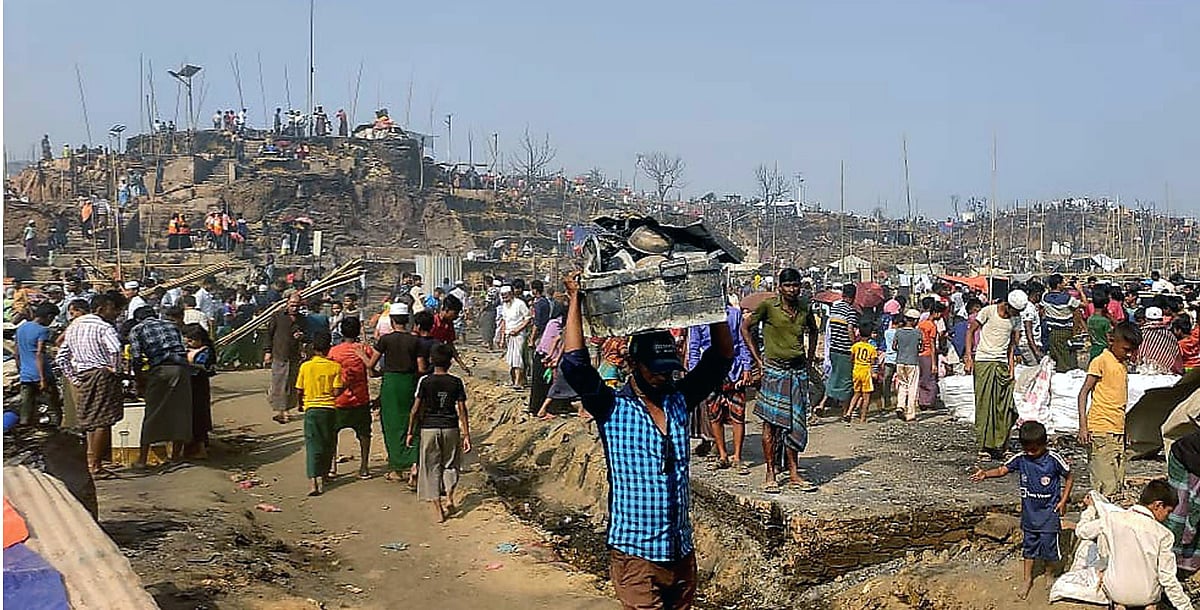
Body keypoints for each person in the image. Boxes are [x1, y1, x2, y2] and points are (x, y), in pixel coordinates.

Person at [560, 271, 732, 610]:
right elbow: (575, 364)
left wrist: (714, 305)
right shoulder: (611, 406)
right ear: (634, 364)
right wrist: (576, 299)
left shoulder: (680, 398)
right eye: (655, 369)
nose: (663, 375)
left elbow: (721, 359)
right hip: (635, 555)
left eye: (668, 369)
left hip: (680, 553)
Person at [970, 421, 1073, 601]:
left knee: (1049, 544)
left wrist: (1063, 501)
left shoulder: (1054, 460)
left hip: (1049, 512)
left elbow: (1070, 476)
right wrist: (985, 474)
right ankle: (1027, 580)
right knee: (1029, 547)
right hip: (1030, 514)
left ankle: (1049, 573)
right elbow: (1003, 469)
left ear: (1044, 444)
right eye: (1028, 449)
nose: (1031, 453)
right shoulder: (1021, 458)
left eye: (1035, 449)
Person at [742, 268, 819, 492]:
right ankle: (770, 473)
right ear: (780, 287)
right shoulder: (768, 307)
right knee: (771, 425)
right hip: (774, 371)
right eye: (788, 285)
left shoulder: (805, 307)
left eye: (796, 285)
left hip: (797, 372)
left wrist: (810, 358)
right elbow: (746, 328)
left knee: (795, 425)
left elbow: (813, 331)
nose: (792, 289)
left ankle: (794, 473)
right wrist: (758, 360)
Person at [1077, 480, 1195, 610]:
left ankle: (1119, 605)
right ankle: (1150, 606)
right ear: (1158, 505)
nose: (1167, 517)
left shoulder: (1112, 519)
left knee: (1104, 565)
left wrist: (1090, 509)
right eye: (1168, 511)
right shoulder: (1164, 534)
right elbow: (1167, 578)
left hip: (1116, 592)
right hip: (1147, 596)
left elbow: (1081, 532)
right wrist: (1186, 607)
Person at [55, 292, 125, 476]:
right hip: (101, 374)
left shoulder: (73, 326)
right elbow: (116, 349)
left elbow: (61, 357)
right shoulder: (104, 327)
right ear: (102, 308)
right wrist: (115, 369)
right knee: (102, 420)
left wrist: (74, 378)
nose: (116, 313)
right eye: (113, 309)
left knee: (89, 420)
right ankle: (95, 465)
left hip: (84, 375)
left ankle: (90, 460)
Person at [406, 343, 471, 522]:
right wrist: (466, 434)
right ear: (450, 362)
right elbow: (462, 409)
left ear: (431, 361)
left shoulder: (425, 381)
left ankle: (438, 508)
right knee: (450, 465)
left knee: (430, 468)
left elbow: (415, 409)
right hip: (450, 427)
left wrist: (410, 431)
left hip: (429, 428)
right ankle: (449, 496)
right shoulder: (456, 382)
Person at [1077, 321, 1143, 496]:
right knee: (1105, 483)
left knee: (1118, 478)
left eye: (1132, 351)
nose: (1129, 354)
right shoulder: (1101, 361)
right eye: (1126, 349)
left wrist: (1125, 428)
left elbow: (1120, 401)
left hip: (1117, 430)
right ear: (1111, 341)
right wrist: (1083, 426)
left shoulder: (1121, 365)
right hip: (1100, 428)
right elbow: (1083, 393)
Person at [367, 303, 428, 485]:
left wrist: (364, 358)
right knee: (412, 422)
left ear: (392, 320)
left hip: (391, 385)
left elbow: (371, 365)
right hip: (409, 383)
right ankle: (415, 464)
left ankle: (396, 468)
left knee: (392, 426)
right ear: (407, 320)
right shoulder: (415, 341)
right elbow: (422, 368)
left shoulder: (385, 340)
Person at [965, 290, 1027, 461]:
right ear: (1007, 305)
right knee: (985, 405)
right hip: (984, 362)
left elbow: (1011, 346)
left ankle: (1002, 445)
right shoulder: (988, 311)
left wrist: (1011, 368)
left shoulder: (1015, 319)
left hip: (1001, 365)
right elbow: (971, 331)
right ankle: (985, 446)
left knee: (1005, 406)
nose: (1015, 314)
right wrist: (969, 357)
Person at [128, 305, 193, 468]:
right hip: (180, 369)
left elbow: (136, 358)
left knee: (152, 412)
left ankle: (142, 459)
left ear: (138, 319)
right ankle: (176, 456)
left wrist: (139, 380)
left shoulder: (137, 330)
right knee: (180, 411)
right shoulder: (171, 325)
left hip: (159, 370)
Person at [698, 296, 752, 470]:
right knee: (715, 415)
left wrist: (746, 367)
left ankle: (737, 456)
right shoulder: (699, 317)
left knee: (738, 414)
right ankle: (722, 455)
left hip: (733, 370)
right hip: (709, 371)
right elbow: (694, 346)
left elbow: (742, 343)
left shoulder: (734, 315)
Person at [295, 332, 344, 496]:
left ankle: (313, 482)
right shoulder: (335, 367)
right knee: (328, 442)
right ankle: (324, 474)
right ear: (328, 349)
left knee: (312, 444)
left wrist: (300, 405)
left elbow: (299, 390)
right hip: (329, 409)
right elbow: (337, 391)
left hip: (311, 409)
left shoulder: (305, 366)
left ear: (313, 349)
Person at [327, 317, 375, 480]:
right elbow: (373, 370)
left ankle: (332, 467)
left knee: (333, 434)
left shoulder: (334, 351)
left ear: (341, 331)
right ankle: (364, 467)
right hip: (360, 399)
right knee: (364, 435)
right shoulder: (364, 349)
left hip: (339, 399)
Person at [15, 302, 63, 426]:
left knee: (26, 407)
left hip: (26, 374)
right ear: (48, 316)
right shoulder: (43, 330)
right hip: (42, 373)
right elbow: (39, 354)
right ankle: (57, 433)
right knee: (53, 406)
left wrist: (20, 369)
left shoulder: (22, 328)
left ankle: (24, 431)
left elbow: (17, 352)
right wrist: (42, 379)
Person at [265, 293, 306, 424]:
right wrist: (267, 351)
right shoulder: (277, 316)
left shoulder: (301, 319)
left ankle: (287, 410)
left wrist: (301, 337)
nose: (294, 308)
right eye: (292, 305)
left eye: (297, 306)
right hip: (279, 354)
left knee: (291, 383)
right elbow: (269, 334)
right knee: (279, 383)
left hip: (294, 355)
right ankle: (281, 411)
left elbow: (306, 336)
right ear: (287, 303)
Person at [821, 284, 859, 416]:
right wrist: (854, 342)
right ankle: (845, 411)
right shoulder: (850, 311)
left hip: (833, 348)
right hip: (845, 350)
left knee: (834, 376)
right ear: (854, 296)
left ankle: (822, 403)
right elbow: (850, 329)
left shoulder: (835, 308)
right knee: (846, 381)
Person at [183, 324, 215, 459]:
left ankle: (202, 449)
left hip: (199, 385)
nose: (188, 342)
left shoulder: (206, 351)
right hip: (189, 385)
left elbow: (203, 367)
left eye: (191, 340)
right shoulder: (189, 349)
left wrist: (188, 361)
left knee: (199, 416)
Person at [1042, 274, 1082, 372]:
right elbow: (1082, 307)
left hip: (1051, 332)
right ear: (1058, 284)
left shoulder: (1045, 298)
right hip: (1065, 331)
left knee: (1056, 357)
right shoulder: (1067, 298)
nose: (1065, 284)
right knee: (1065, 359)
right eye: (1063, 282)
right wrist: (1080, 290)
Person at [498, 286, 531, 388]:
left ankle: (518, 382)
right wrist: (502, 337)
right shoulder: (504, 305)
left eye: (506, 296)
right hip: (509, 335)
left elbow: (528, 318)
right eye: (503, 296)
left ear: (511, 294)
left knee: (517, 359)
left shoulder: (520, 304)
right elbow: (504, 321)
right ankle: (515, 380)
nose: (504, 298)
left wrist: (517, 329)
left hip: (519, 335)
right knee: (511, 360)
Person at [430, 295, 472, 374]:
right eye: (455, 313)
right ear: (446, 310)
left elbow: (450, 344)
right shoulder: (432, 321)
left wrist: (461, 364)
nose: (456, 316)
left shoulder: (449, 324)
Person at [846, 324, 878, 424]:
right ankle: (863, 418)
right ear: (869, 335)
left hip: (856, 370)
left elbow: (851, 358)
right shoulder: (871, 348)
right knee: (866, 396)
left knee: (856, 393)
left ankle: (848, 412)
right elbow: (873, 362)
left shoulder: (855, 346)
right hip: (866, 372)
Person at [893, 310, 922, 422]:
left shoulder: (898, 332)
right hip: (913, 362)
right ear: (915, 321)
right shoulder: (917, 333)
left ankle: (900, 405)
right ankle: (910, 413)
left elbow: (894, 346)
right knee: (912, 387)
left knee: (902, 385)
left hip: (900, 361)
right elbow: (921, 347)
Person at [1137, 307, 1184, 375]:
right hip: (1165, 375)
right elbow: (1177, 363)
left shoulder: (1139, 334)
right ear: (1162, 319)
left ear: (1145, 319)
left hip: (1140, 373)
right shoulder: (1170, 336)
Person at [916, 302, 942, 409]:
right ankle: (929, 402)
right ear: (935, 313)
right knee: (930, 379)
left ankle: (922, 401)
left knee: (922, 379)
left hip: (919, 354)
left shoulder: (921, 324)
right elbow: (932, 345)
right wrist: (934, 363)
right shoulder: (932, 326)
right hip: (928, 354)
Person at [1087, 294, 1114, 363]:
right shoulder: (1105, 321)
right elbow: (1109, 339)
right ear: (1105, 305)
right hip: (1103, 350)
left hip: (1094, 349)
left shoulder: (1090, 319)